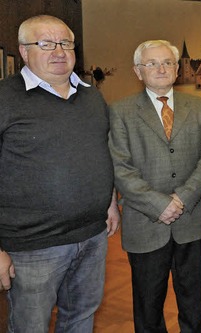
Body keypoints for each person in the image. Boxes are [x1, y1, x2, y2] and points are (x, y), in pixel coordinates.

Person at [0, 15, 120, 332]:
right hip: (32, 247)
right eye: (46, 44)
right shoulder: (4, 98)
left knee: (81, 319)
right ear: (24, 52)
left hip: (93, 237)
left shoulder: (92, 97)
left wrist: (108, 202)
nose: (59, 51)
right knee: (31, 327)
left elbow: (101, 153)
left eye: (66, 43)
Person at [109, 40, 201, 332]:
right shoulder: (121, 112)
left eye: (168, 62)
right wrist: (160, 205)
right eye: (152, 63)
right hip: (146, 223)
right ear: (138, 71)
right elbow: (121, 168)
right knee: (148, 306)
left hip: (190, 220)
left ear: (176, 69)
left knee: (193, 301)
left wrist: (181, 198)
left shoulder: (198, 106)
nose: (161, 69)